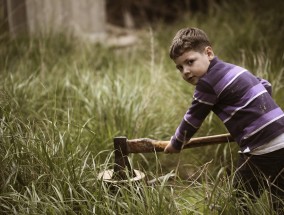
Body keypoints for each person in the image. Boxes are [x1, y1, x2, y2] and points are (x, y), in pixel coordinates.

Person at [164, 27, 284, 213]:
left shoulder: (207, 83)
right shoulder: (236, 69)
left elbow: (192, 119)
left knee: (238, 202)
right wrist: (256, 118)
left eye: (190, 62)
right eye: (180, 67)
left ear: (208, 53)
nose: (186, 71)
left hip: (262, 147)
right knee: (280, 199)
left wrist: (176, 143)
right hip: (281, 136)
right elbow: (265, 85)